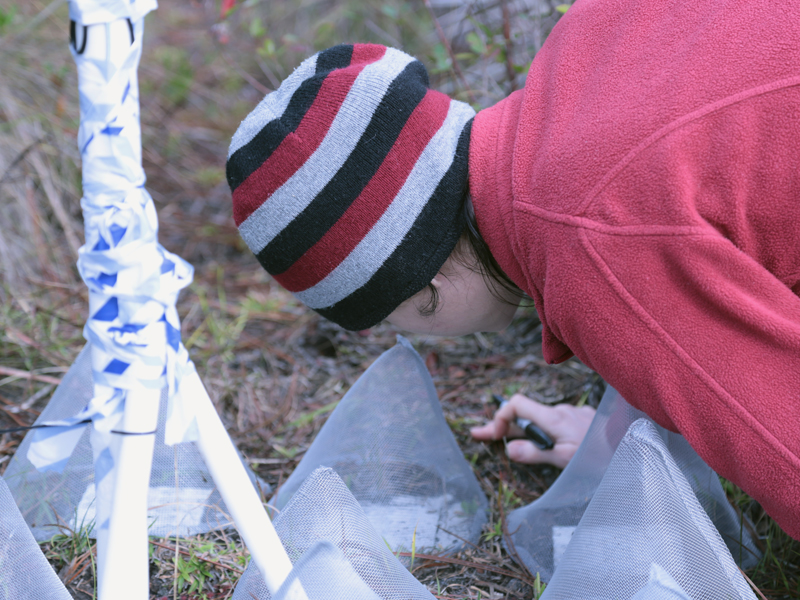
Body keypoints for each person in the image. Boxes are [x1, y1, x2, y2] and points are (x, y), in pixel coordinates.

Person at [225, 0, 800, 540]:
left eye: (388, 319)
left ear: (421, 282)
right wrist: (624, 439)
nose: (410, 337)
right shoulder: (585, 42)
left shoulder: (586, 246)